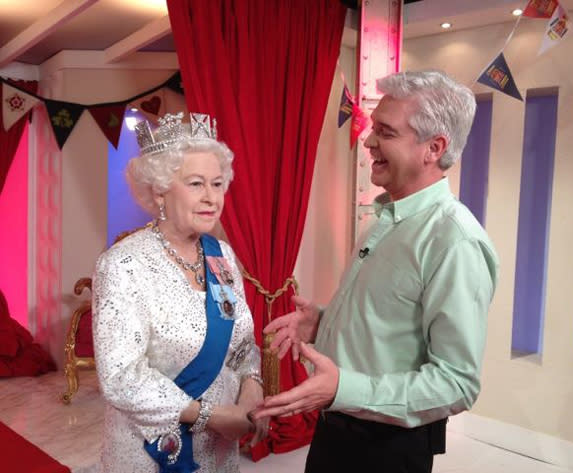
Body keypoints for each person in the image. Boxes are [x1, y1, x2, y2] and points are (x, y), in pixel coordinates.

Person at [253, 70, 499, 473]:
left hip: (387, 446)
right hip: (338, 425)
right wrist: (324, 322)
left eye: (385, 132)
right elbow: (389, 324)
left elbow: (457, 383)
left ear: (433, 148)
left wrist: (343, 388)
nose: (367, 141)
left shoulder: (455, 242)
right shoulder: (384, 218)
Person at [92, 112, 267, 473]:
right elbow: (122, 376)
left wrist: (252, 390)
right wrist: (212, 416)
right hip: (149, 452)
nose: (211, 198)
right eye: (196, 184)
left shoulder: (223, 256)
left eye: (217, 184)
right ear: (159, 190)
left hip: (218, 449)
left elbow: (242, 345)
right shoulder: (124, 264)